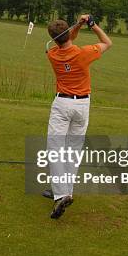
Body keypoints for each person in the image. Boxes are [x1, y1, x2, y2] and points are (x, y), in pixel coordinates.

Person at [45, 14, 112, 219]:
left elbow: (66, 39)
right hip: (82, 104)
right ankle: (67, 192)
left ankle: (61, 195)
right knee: (74, 149)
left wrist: (76, 26)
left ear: (54, 38)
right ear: (69, 34)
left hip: (62, 104)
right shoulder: (83, 53)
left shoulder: (52, 54)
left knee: (55, 149)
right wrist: (91, 24)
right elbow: (107, 42)